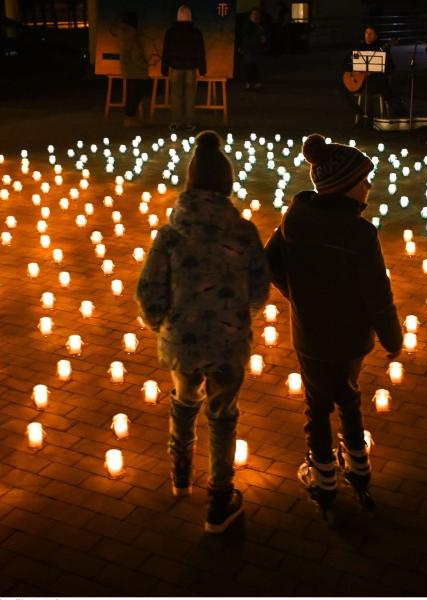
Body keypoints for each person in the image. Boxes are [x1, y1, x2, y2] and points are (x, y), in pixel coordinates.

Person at [135, 130, 270, 534]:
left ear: (190, 183)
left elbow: (148, 290)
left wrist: (164, 325)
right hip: (229, 343)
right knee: (223, 415)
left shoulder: (172, 234)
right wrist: (241, 312)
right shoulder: (244, 233)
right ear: (227, 184)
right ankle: (219, 498)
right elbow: (260, 288)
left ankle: (180, 476)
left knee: (184, 401)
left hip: (184, 343)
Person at [265, 134, 403, 523]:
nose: (370, 187)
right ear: (344, 188)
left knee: (317, 405)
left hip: (310, 336)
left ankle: (323, 476)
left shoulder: (294, 221)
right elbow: (378, 293)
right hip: (351, 339)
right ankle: (358, 469)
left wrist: (297, 296)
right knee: (348, 395)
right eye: (364, 180)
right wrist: (392, 337)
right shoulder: (360, 234)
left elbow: (269, 262)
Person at [161, 5, 206, 133]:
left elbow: (166, 52)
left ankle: (176, 122)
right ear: (190, 17)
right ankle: (189, 123)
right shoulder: (196, 32)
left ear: (178, 17)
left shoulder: (171, 32)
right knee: (190, 95)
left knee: (176, 95)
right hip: (191, 68)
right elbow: (201, 52)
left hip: (175, 67)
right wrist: (202, 69)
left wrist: (164, 68)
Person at [112, 12, 150, 127]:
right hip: (136, 71)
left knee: (131, 94)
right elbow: (137, 57)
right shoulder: (133, 38)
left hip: (128, 70)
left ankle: (130, 118)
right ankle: (130, 118)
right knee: (137, 94)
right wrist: (147, 66)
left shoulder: (123, 35)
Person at [240, 9, 267, 90]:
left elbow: (264, 33)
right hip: (249, 49)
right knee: (249, 66)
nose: (255, 16)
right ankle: (248, 83)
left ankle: (256, 83)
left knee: (256, 66)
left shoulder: (259, 24)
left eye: (257, 14)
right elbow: (245, 37)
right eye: (254, 14)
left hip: (257, 49)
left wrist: (263, 39)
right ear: (250, 15)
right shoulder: (247, 25)